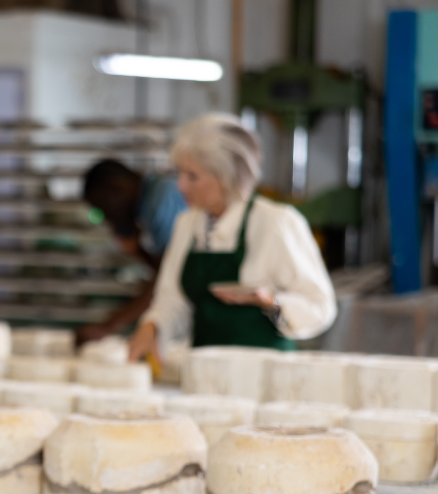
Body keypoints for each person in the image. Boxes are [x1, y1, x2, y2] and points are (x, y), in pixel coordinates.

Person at [128, 113, 336, 363]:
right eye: (179, 173)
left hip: (267, 377)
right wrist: (153, 326)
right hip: (206, 373)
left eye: (192, 176)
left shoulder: (275, 222)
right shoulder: (188, 225)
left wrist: (272, 301)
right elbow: (173, 300)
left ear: (225, 177)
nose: (180, 186)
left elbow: (320, 306)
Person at [78, 159, 186, 344]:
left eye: (103, 209)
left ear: (116, 188)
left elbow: (166, 278)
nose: (107, 219)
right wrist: (136, 249)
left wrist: (109, 326)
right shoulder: (150, 203)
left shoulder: (161, 199)